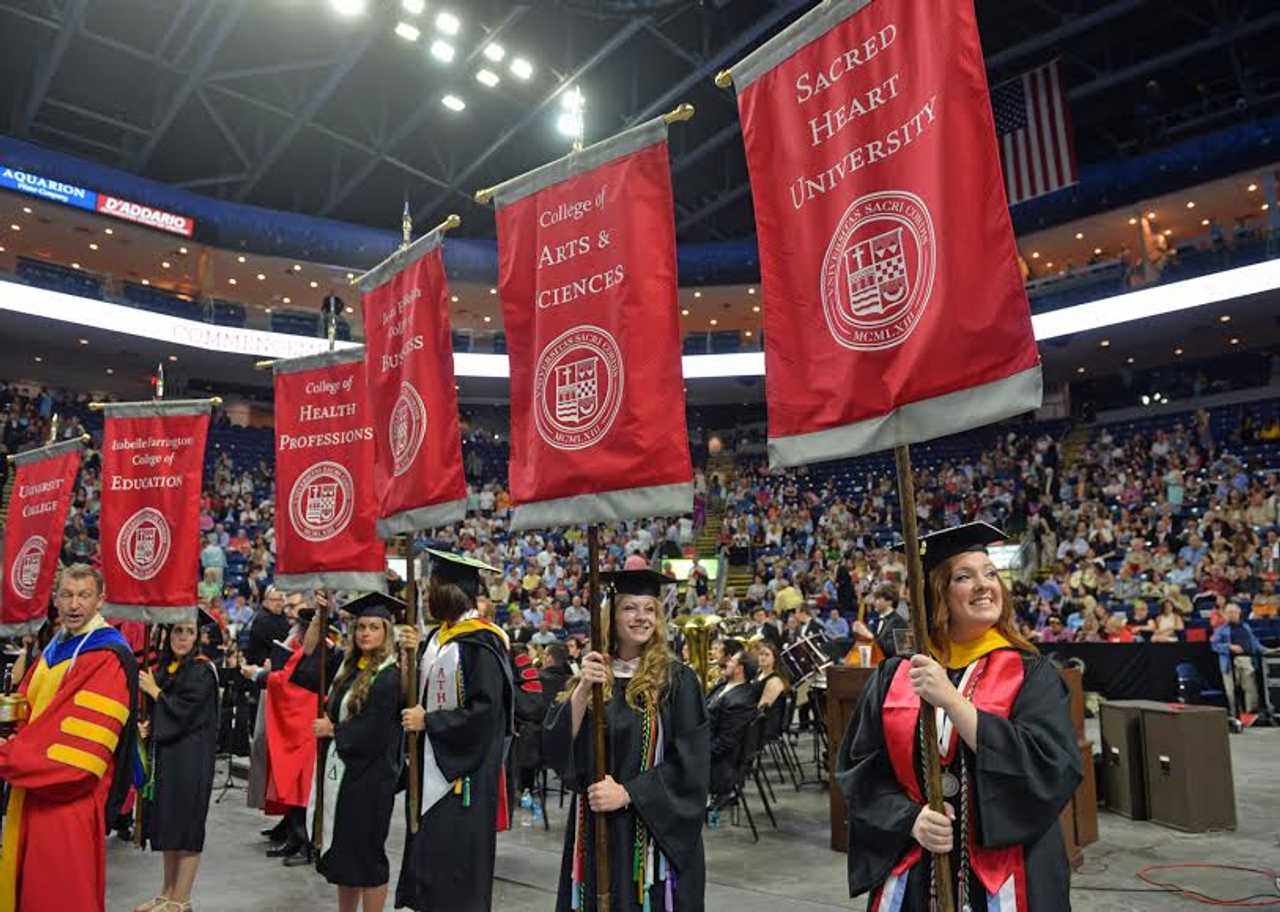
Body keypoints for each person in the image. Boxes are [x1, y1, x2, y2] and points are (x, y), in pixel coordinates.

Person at [837, 523, 1082, 911]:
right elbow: (860, 769)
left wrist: (954, 704)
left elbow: (1054, 764)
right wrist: (909, 819)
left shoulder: (1031, 673)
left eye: (990, 574)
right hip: (918, 870)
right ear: (937, 594)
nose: (985, 585)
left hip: (1006, 872)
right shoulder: (898, 674)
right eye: (965, 577)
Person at [543, 569, 709, 911]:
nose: (641, 617)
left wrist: (629, 793)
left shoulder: (677, 681)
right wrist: (584, 689)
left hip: (652, 835)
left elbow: (692, 765)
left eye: (649, 608)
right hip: (597, 827)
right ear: (612, 616)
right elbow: (556, 747)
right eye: (630, 608)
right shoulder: (593, 674)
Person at [0, 564, 138, 912]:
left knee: (59, 896)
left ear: (101, 600)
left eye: (84, 595)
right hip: (32, 789)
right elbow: (31, 710)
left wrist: (8, 756)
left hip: (66, 800)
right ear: (55, 599)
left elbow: (76, 755)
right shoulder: (56, 646)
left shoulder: (107, 656)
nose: (74, 604)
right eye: (67, 595)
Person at [396, 550, 514, 912]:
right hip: (431, 767)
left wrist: (429, 722)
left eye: (433, 586)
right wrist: (407, 660)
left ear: (449, 591)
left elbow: (487, 713)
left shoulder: (482, 643)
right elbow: (419, 697)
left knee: (455, 873)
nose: (428, 594)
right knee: (431, 863)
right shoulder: (436, 638)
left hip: (462, 778)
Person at [302, 592, 405, 912]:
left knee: (368, 855)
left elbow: (376, 728)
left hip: (371, 778)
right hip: (344, 775)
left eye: (374, 627)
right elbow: (309, 658)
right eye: (361, 627)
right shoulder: (347, 667)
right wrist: (321, 615)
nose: (365, 633)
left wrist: (334, 730)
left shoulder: (390, 675)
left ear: (386, 632)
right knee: (345, 856)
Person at [134, 612, 220, 912]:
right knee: (169, 826)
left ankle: (181, 900)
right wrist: (147, 726)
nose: (183, 638)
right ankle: (166, 892)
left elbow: (184, 713)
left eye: (189, 632)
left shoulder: (202, 671)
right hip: (169, 758)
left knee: (186, 829)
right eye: (177, 632)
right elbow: (163, 712)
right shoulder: (167, 668)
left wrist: (155, 693)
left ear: (198, 637)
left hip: (191, 761)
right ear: (168, 636)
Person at [706, 649, 760, 800]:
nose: (726, 663)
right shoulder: (723, 686)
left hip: (718, 765)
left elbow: (725, 742)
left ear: (739, 669)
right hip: (704, 743)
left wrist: (696, 755)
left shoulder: (742, 700)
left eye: (731, 661)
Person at [1211, 603, 1264, 720]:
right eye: (1229, 612)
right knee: (1231, 691)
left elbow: (1254, 643)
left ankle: (1250, 715)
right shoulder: (1220, 630)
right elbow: (1214, 645)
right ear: (1224, 615)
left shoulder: (1246, 627)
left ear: (1239, 614)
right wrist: (1229, 647)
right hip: (1228, 663)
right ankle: (1236, 716)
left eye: (1234, 612)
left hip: (1246, 660)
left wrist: (1268, 650)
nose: (1231, 615)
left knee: (1250, 688)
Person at [753, 640, 790, 710]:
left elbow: (762, 709)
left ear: (774, 659)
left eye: (767, 655)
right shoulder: (759, 673)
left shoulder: (775, 681)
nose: (763, 658)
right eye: (761, 654)